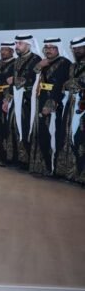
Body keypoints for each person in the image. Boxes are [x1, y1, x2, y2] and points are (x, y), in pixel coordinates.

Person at [28, 38, 72, 177]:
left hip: (55, 103)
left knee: (52, 134)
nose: (48, 50)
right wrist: (39, 66)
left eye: (52, 47)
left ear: (58, 49)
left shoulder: (64, 63)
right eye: (46, 48)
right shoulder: (43, 62)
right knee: (41, 133)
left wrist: (51, 104)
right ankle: (41, 166)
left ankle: (52, 167)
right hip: (40, 100)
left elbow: (60, 85)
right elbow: (31, 78)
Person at [6, 35, 42, 170]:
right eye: (16, 43)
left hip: (28, 100)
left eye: (19, 43)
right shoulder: (17, 61)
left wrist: (15, 81)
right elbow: (12, 83)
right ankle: (14, 158)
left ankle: (26, 160)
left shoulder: (36, 59)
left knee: (25, 127)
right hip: (16, 100)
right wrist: (7, 99)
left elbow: (33, 79)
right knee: (12, 126)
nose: (16, 46)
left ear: (28, 44)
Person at [54, 36, 85, 182]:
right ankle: (67, 171)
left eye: (80, 48)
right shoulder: (72, 66)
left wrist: (78, 83)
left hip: (82, 106)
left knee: (80, 138)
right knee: (66, 136)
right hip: (71, 104)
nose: (77, 51)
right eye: (75, 49)